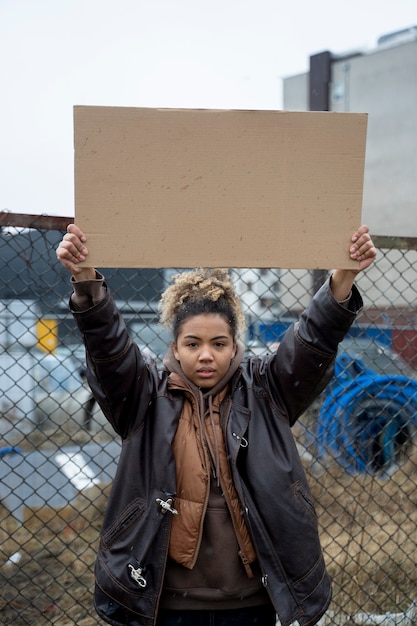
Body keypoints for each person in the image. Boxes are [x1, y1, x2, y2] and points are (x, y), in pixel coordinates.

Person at [56, 224, 376, 626]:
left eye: (218, 344)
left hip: (250, 603)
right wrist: (86, 280)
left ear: (234, 346)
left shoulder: (267, 389)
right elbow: (108, 347)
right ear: (174, 347)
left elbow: (312, 340)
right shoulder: (144, 395)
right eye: (193, 344)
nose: (206, 355)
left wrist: (343, 276)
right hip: (164, 605)